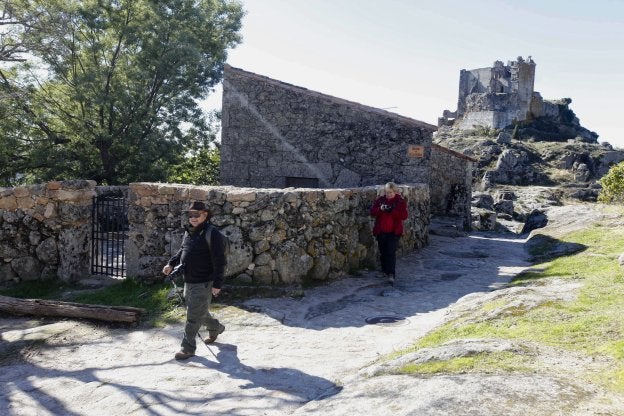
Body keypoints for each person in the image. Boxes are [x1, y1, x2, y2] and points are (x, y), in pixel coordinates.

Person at [162, 201, 226, 360]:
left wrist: (217, 284)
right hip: (188, 280)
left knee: (192, 316)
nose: (193, 218)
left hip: (204, 282)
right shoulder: (189, 232)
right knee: (199, 311)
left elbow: (220, 261)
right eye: (190, 214)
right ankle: (216, 327)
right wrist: (171, 263)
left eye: (197, 214)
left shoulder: (213, 234)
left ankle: (187, 348)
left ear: (205, 214)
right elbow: (182, 250)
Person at [370, 182, 408, 285]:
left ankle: (391, 274)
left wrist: (392, 210)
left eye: (390, 192)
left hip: (394, 232)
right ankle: (384, 271)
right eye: (387, 192)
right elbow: (372, 212)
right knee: (383, 252)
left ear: (395, 192)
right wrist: (381, 209)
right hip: (381, 231)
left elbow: (404, 216)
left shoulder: (400, 201)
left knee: (391, 252)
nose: (388, 194)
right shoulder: (380, 200)